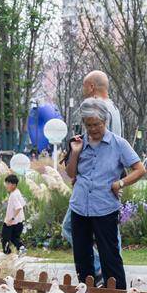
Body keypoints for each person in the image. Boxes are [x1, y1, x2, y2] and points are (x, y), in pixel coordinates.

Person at [65, 98, 146, 288]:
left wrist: (120, 183)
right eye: (89, 125)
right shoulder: (78, 142)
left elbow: (140, 169)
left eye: (97, 124)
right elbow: (71, 173)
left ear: (105, 121)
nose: (93, 129)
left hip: (105, 207)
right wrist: (75, 153)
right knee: (82, 257)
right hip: (80, 206)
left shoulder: (118, 144)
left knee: (110, 256)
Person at [62, 71, 124, 279]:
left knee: (71, 228)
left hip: (96, 184)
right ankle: (108, 274)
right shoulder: (114, 109)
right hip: (105, 182)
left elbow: (99, 144)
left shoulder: (95, 109)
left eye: (83, 86)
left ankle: (101, 271)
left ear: (90, 87)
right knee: (109, 235)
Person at [1, 174, 25, 254]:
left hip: (10, 222)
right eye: (6, 183)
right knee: (14, 238)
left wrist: (12, 219)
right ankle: (21, 248)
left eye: (8, 184)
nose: (6, 185)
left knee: (5, 239)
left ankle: (7, 255)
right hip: (19, 221)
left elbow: (19, 207)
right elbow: (23, 203)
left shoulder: (13, 195)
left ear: (14, 185)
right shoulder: (17, 192)